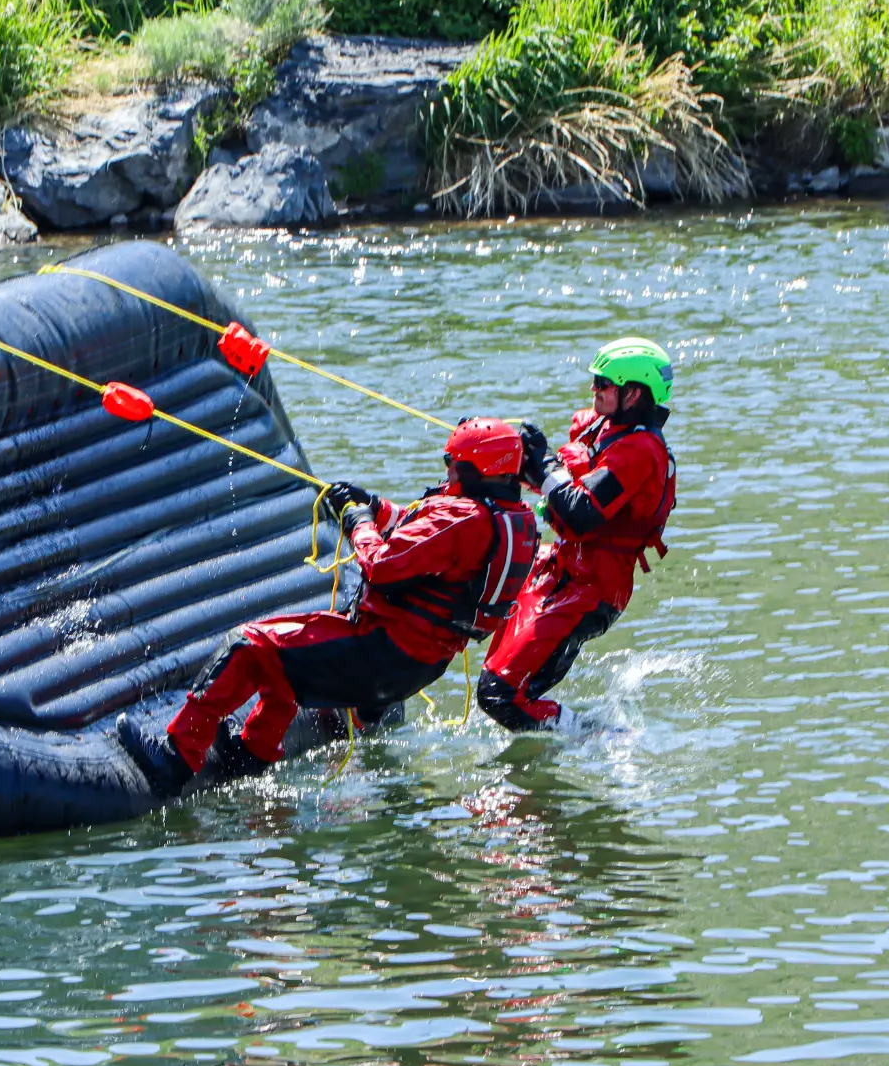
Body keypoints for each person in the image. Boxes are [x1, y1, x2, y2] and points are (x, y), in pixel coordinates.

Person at [118, 417, 539, 796]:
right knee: (283, 664)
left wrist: (357, 523)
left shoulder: (462, 518)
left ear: (474, 468)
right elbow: (424, 531)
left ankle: (174, 759)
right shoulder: (513, 520)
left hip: (383, 652)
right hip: (419, 663)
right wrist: (371, 505)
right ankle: (251, 756)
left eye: (452, 462)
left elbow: (384, 566)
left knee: (246, 647)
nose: (446, 470)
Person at [477, 337, 677, 731]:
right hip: (558, 569)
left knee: (501, 695)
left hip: (593, 589)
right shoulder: (602, 427)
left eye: (603, 384)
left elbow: (581, 512)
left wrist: (544, 466)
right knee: (495, 684)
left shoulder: (641, 451)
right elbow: (560, 481)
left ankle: (593, 734)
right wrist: (510, 455)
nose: (594, 389)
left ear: (633, 393)